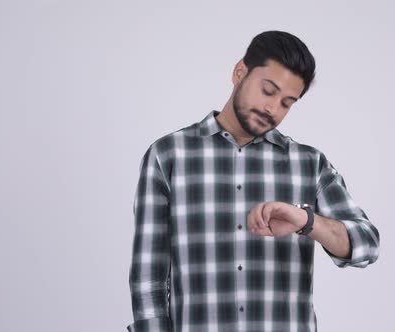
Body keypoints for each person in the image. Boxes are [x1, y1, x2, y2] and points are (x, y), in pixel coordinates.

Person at [127, 30, 380, 332]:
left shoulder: (309, 164)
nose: (273, 109)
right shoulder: (169, 156)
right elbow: (149, 278)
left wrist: (305, 220)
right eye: (268, 91)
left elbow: (366, 245)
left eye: (287, 102)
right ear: (239, 72)